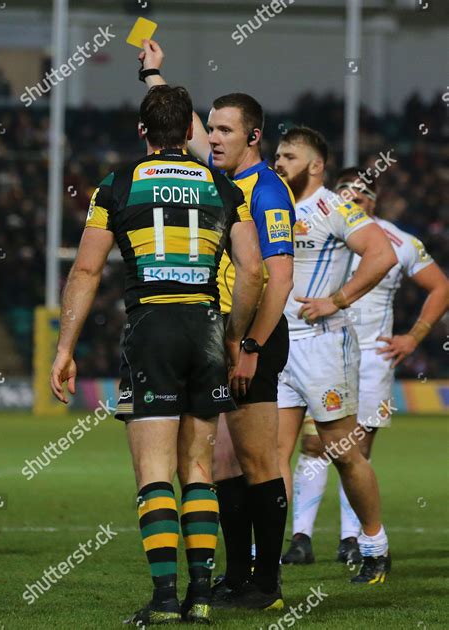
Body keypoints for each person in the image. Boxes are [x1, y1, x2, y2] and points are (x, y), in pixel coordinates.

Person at [50, 84, 264, 625]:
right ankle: (201, 598)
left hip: (152, 329)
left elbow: (85, 271)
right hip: (206, 327)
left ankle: (166, 600)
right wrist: (235, 335)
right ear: (189, 131)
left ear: (143, 131)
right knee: (197, 468)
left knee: (153, 469)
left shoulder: (117, 186)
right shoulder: (224, 186)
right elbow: (253, 271)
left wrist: (64, 349)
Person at [138, 40, 295, 609]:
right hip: (223, 337)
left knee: (257, 460)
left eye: (226, 132)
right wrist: (154, 74)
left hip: (255, 339)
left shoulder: (268, 191)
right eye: (213, 132)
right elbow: (179, 129)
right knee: (225, 461)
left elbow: (279, 279)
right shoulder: (219, 180)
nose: (215, 140)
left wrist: (251, 344)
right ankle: (235, 576)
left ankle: (269, 584)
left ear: (253, 137)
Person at [287, 166, 449, 565]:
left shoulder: (397, 241)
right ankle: (300, 538)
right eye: (345, 192)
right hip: (319, 348)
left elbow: (441, 286)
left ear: (373, 202)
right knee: (312, 444)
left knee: (353, 449)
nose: (352, 199)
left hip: (371, 361)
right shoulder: (316, 225)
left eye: (360, 194)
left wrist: (414, 336)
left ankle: (351, 539)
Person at [274, 127, 398, 584]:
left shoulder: (334, 207)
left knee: (343, 452)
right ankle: (264, 556)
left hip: (324, 344)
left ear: (315, 165)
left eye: (289, 155)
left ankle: (374, 548)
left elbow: (381, 254)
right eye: (278, 154)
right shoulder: (274, 203)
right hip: (279, 346)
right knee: (273, 456)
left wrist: (338, 299)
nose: (279, 162)